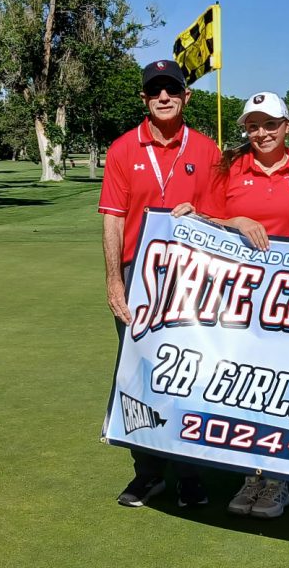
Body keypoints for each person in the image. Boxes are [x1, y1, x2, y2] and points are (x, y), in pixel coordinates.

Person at [175, 91, 289, 519]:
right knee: (246, 388)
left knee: (284, 388)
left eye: (270, 124)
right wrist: (234, 221)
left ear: (287, 127)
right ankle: (252, 476)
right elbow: (209, 216)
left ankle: (278, 480)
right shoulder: (230, 169)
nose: (262, 133)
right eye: (253, 125)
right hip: (239, 297)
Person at [98, 59, 221, 510]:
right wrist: (114, 280)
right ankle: (147, 473)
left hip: (193, 276)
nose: (164, 97)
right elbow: (112, 219)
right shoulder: (123, 149)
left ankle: (190, 475)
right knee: (140, 375)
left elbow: (219, 217)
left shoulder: (207, 149)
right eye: (155, 91)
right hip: (138, 275)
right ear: (145, 99)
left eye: (172, 89)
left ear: (187, 97)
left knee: (189, 373)